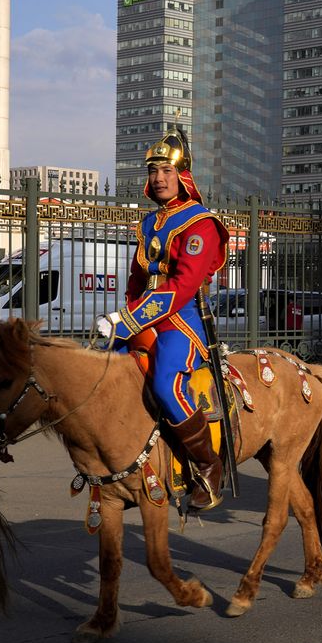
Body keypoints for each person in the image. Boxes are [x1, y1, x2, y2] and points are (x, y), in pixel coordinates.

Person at [99, 127, 230, 511]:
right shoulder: (148, 223)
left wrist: (128, 321)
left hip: (183, 321)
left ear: (183, 175)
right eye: (153, 171)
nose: (158, 178)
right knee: (102, 367)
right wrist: (122, 317)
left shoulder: (201, 223)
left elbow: (181, 287)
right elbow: (136, 279)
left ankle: (208, 467)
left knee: (166, 383)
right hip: (145, 317)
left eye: (166, 171)